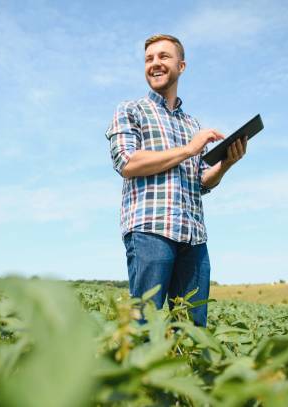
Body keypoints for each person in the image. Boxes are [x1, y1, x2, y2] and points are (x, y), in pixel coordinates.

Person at [105, 34, 247, 327]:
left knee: (193, 330)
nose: (155, 63)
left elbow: (201, 183)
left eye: (163, 57)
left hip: (194, 237)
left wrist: (226, 164)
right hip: (150, 232)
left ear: (181, 66)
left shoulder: (191, 124)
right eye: (149, 59)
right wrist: (188, 149)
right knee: (145, 327)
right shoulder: (130, 110)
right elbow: (127, 162)